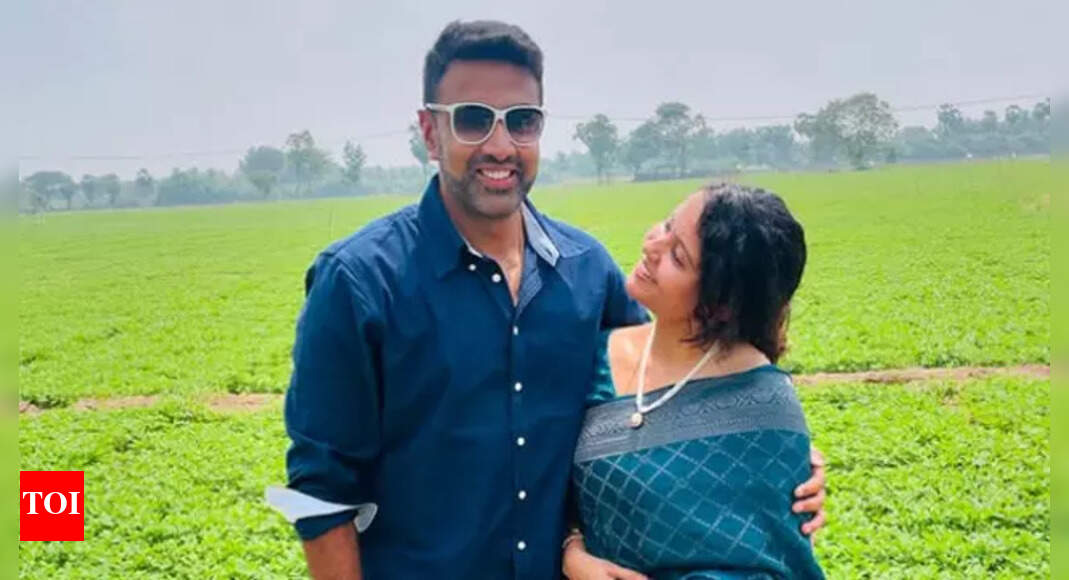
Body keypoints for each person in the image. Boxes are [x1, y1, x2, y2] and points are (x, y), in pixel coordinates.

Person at [266, 20, 826, 579]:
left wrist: (774, 462)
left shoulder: (588, 273)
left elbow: (663, 398)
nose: (500, 146)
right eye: (473, 119)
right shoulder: (359, 283)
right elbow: (322, 492)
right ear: (430, 133)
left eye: (522, 121)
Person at [562, 184, 824, 579]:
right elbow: (535, 472)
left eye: (677, 256)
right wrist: (570, 550)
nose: (653, 245)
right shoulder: (595, 356)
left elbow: (773, 557)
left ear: (719, 306)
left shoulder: (762, 405)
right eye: (667, 225)